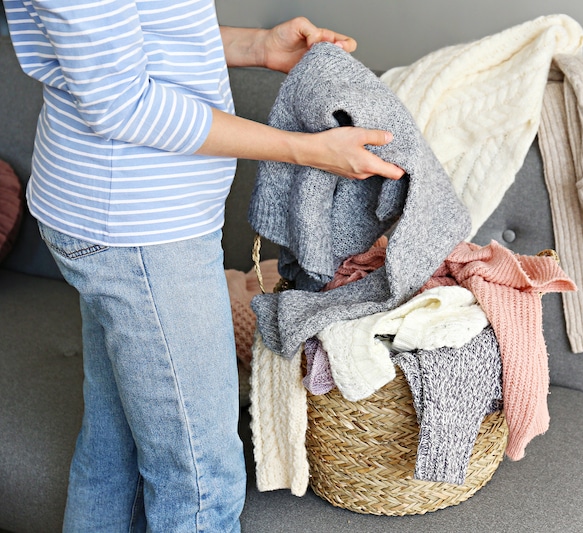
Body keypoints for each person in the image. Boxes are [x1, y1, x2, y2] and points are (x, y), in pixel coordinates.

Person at [3, 1, 404, 531]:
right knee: (200, 483)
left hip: (125, 221)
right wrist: (305, 150)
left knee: (113, 452)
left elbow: (132, 40)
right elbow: (123, 105)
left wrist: (256, 46)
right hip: (140, 231)